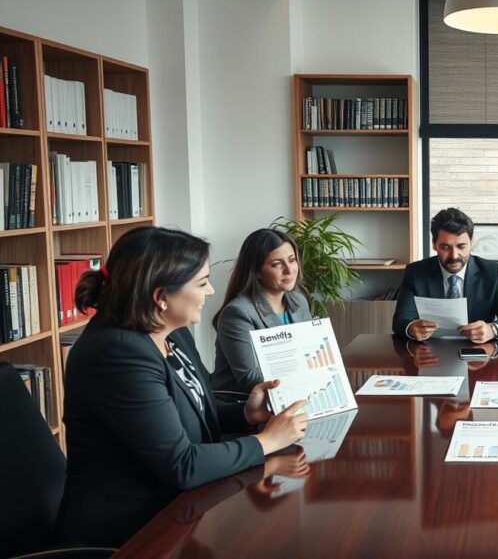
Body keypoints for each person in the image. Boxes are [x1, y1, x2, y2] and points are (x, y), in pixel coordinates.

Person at [57, 227, 309, 547]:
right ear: (161, 297)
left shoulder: (170, 331)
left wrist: (246, 414)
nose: (211, 291)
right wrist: (267, 442)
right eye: (202, 283)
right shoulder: (117, 353)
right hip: (131, 531)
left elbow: (195, 408)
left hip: (181, 507)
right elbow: (182, 465)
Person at [392, 208, 498, 343]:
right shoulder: (415, 272)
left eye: (461, 246)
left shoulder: (492, 272)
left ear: (472, 242)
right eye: (445, 247)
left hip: (477, 353)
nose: (454, 256)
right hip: (429, 352)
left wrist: (492, 330)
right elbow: (400, 320)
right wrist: (411, 328)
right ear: (434, 244)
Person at [211, 229, 313, 394]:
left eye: (292, 260)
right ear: (256, 271)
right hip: (242, 405)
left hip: (293, 395)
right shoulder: (238, 313)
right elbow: (249, 377)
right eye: (277, 264)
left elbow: (309, 352)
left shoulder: (299, 301)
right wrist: (304, 378)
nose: (289, 270)